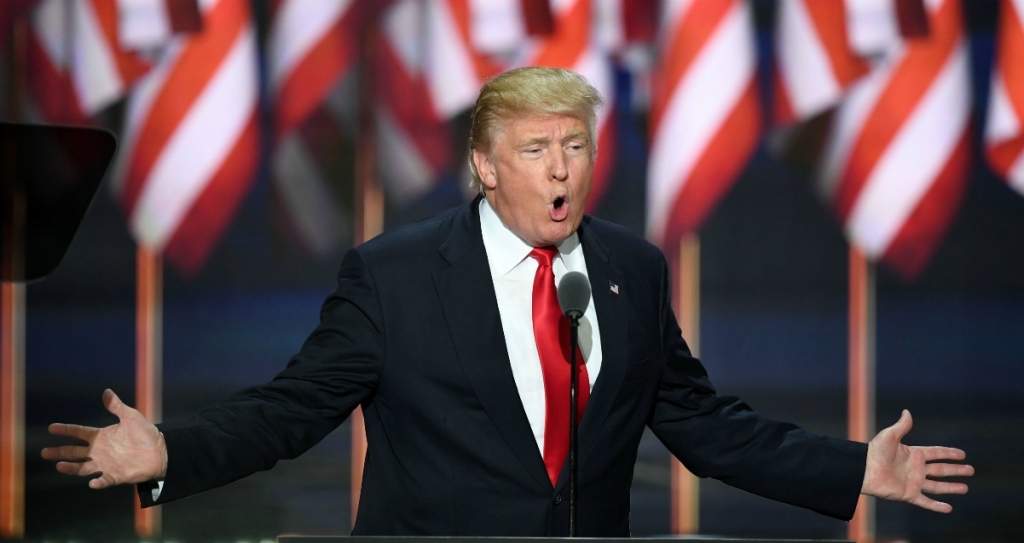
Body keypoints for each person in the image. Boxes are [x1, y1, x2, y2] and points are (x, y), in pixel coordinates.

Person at [42, 67, 973, 537]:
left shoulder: (632, 271)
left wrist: (855, 473)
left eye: (575, 145)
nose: (562, 169)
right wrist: (170, 451)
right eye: (535, 150)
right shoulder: (396, 274)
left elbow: (704, 423)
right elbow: (294, 407)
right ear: (485, 166)